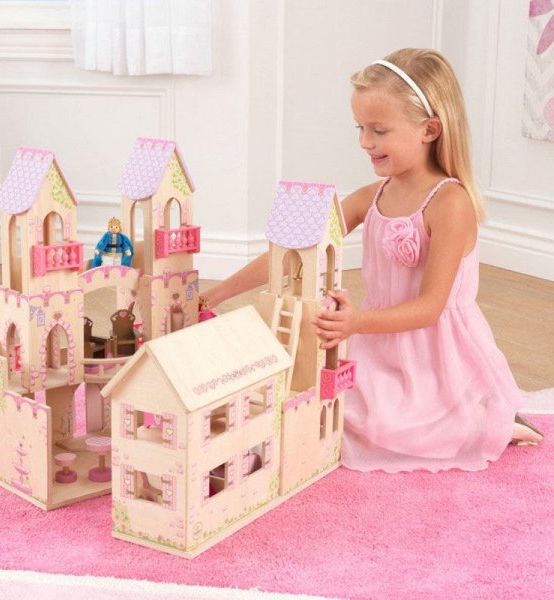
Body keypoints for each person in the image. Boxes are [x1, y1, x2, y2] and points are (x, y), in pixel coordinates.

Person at [201, 48, 543, 472]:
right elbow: (290, 256)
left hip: (436, 355)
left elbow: (429, 308)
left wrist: (357, 322)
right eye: (360, 128)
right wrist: (215, 293)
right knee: (323, 405)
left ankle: (488, 419)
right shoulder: (371, 197)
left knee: (380, 426)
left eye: (379, 130)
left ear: (430, 130)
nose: (365, 141)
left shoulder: (450, 203)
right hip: (379, 342)